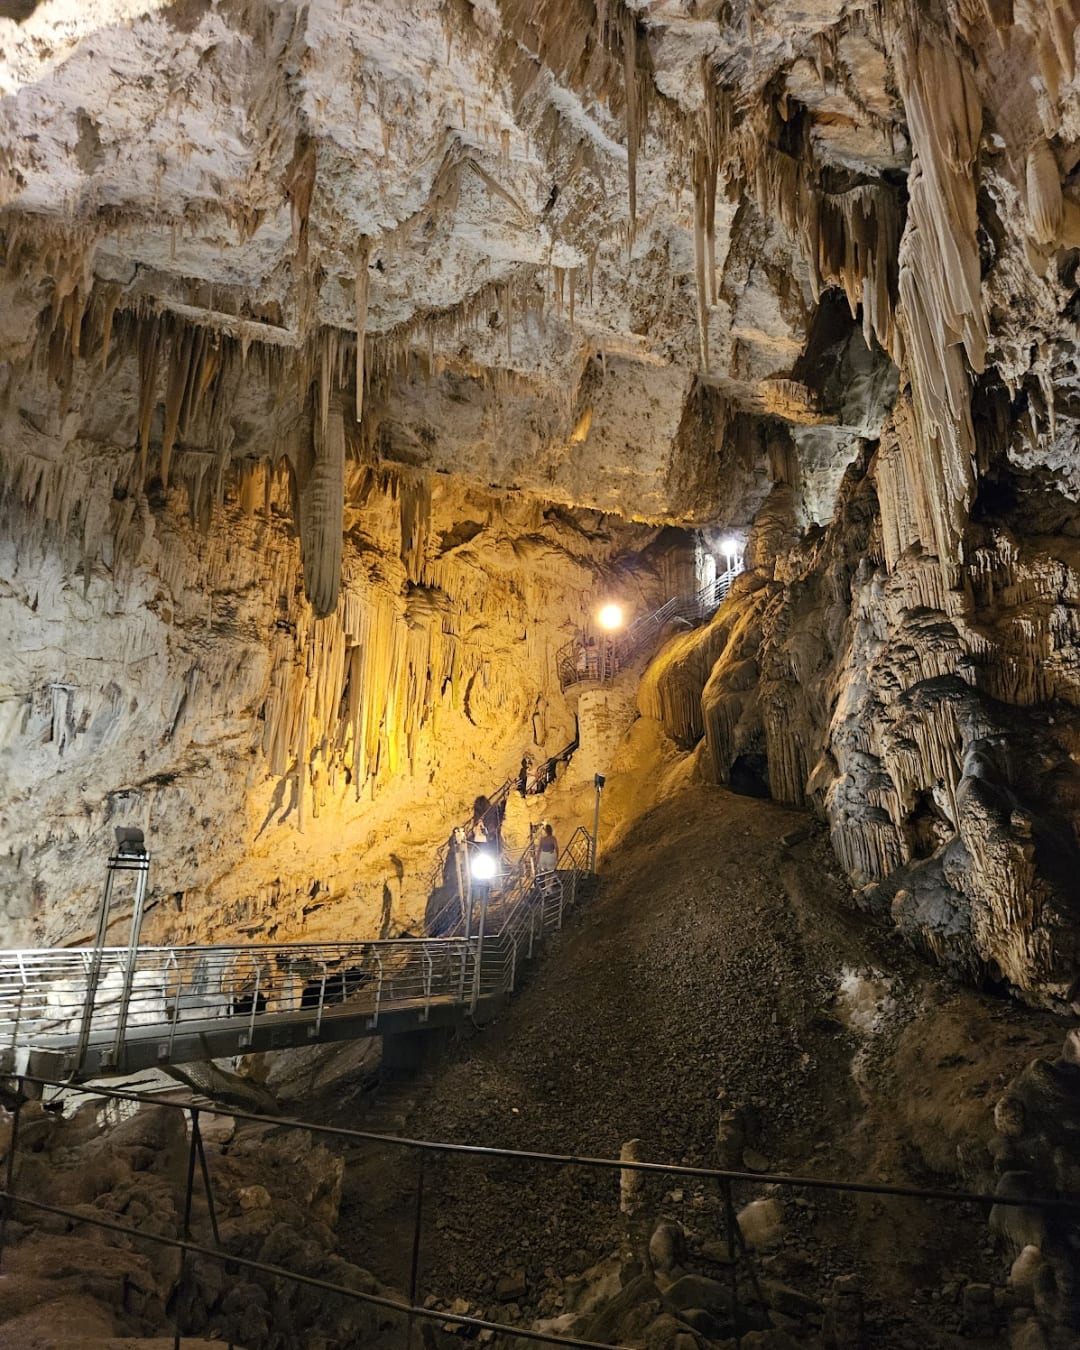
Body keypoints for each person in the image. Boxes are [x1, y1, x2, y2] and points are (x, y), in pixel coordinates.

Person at [537, 822, 558, 893]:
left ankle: (546, 889)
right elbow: (556, 847)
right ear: (551, 830)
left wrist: (537, 859)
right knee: (552, 873)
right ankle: (549, 888)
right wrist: (557, 856)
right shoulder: (553, 838)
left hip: (543, 856)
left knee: (546, 873)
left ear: (545, 831)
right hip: (550, 856)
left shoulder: (542, 839)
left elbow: (539, 849)